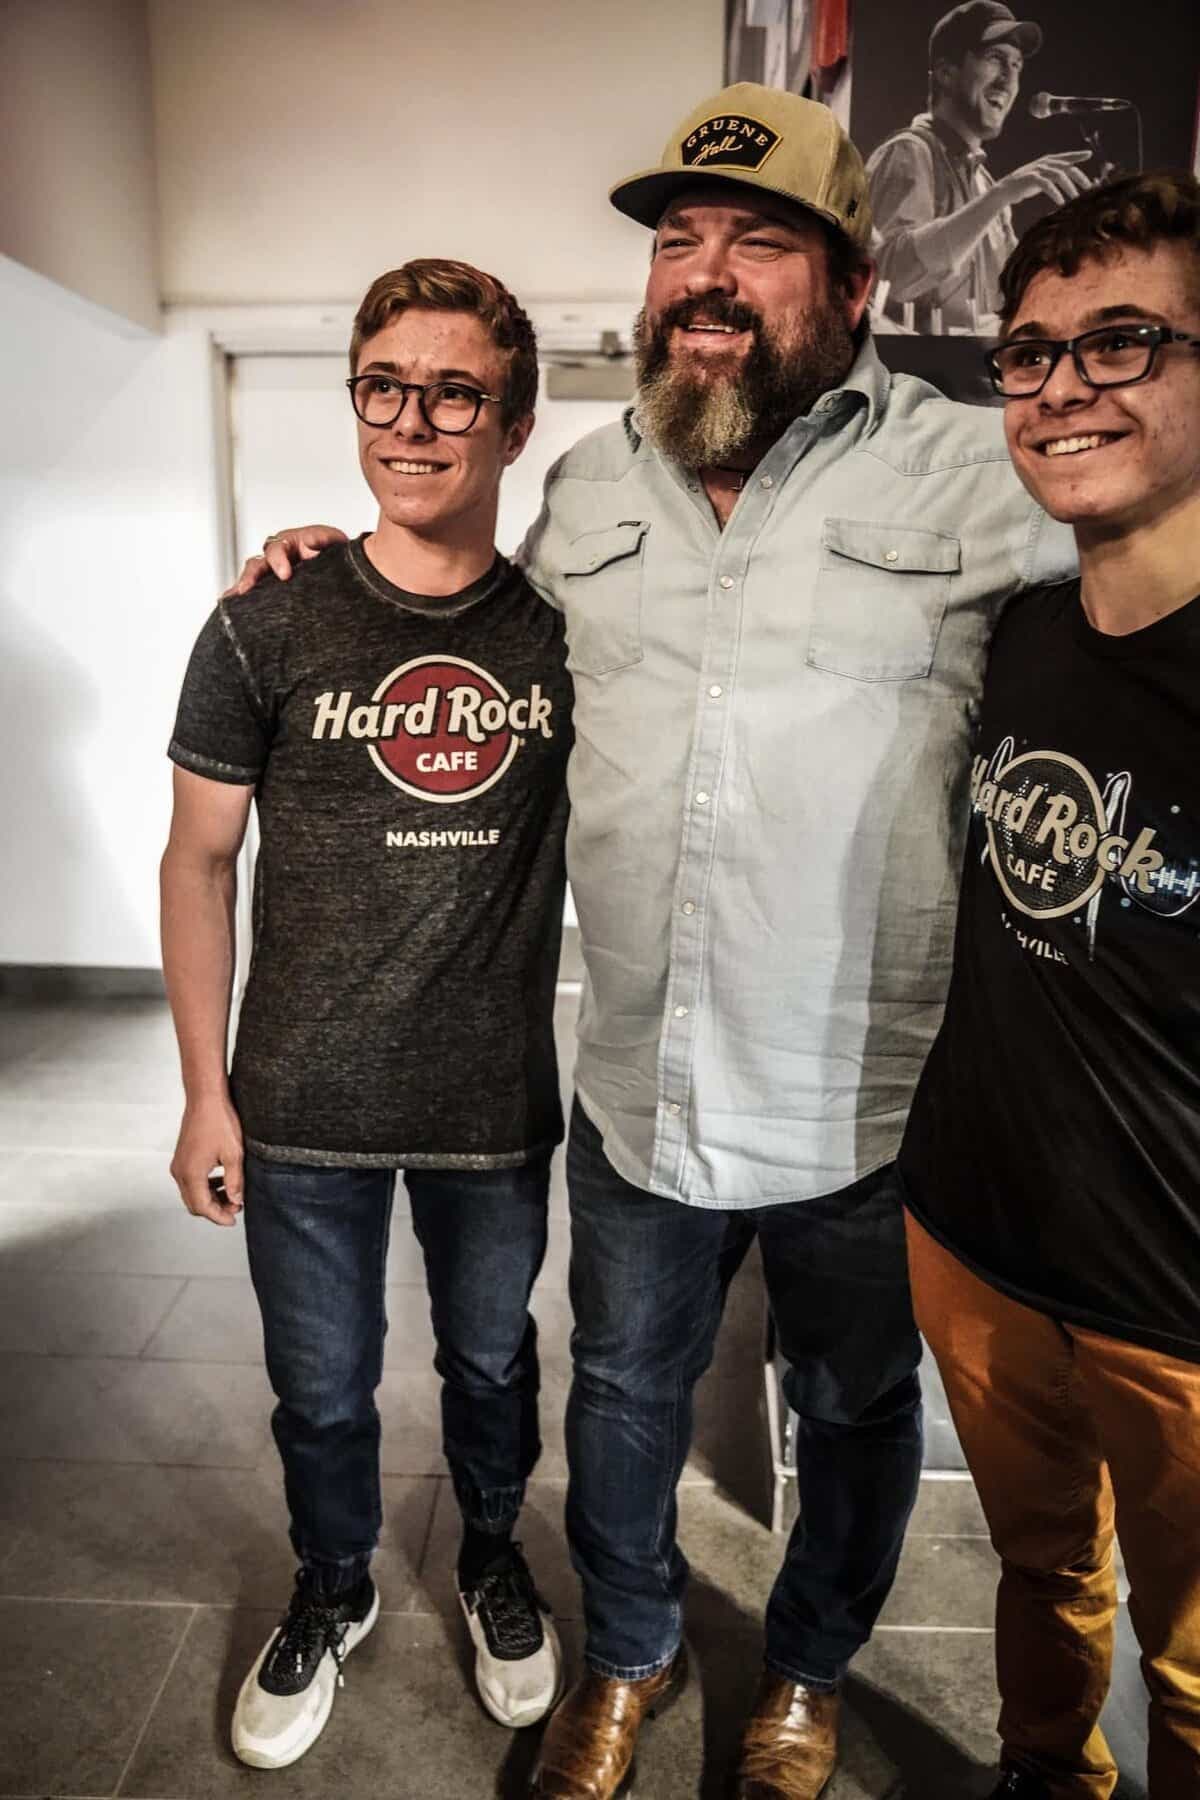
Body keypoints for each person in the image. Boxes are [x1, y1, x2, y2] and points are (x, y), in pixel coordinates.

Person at [233, 81, 1077, 1800]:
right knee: (620, 1400)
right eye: (679, 239)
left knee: (853, 1415)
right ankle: (627, 1657)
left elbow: (1135, 601)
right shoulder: (586, 486)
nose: (704, 273)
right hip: (643, 1087)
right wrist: (324, 561)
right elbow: (459, 606)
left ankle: (807, 1678)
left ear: (853, 284)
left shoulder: (976, 477)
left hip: (873, 1101)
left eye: (756, 243)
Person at [160, 258, 572, 1769]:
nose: (412, 421)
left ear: (513, 426)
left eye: (455, 394)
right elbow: (199, 863)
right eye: (385, 387)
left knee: (494, 1368)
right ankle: (333, 1584)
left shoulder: (567, 632)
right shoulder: (267, 621)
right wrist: (205, 1093)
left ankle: (491, 1558)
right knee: (321, 1391)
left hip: (489, 1101)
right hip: (301, 1102)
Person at [899, 170, 1200, 1800]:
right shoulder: (1014, 634)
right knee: (1041, 1572)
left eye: (1124, 340)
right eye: (1030, 353)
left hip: (1181, 1300)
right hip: (978, 1240)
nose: (1065, 385)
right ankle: (1043, 1774)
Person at [866, 0, 1092, 333]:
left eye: (1016, 65)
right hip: (915, 364)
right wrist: (999, 197)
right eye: (995, 59)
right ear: (946, 73)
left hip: (977, 364)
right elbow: (890, 278)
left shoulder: (986, 183)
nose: (1008, 79)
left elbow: (1010, 298)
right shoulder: (909, 152)